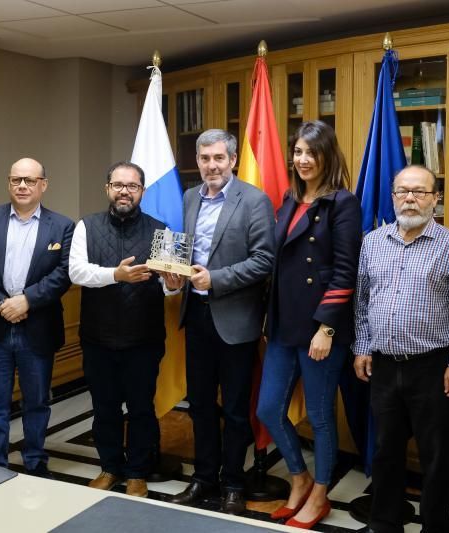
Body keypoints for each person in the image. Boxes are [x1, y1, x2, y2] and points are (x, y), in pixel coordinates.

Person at [352, 164, 449, 533]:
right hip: (383, 365)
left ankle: (436, 526)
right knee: (386, 449)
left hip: (433, 367)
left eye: (420, 191)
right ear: (392, 197)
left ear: (435, 198)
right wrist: (362, 347)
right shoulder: (372, 242)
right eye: (403, 191)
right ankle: (384, 522)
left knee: (435, 454)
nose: (410, 198)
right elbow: (361, 303)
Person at [253, 121, 361, 529]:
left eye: (310, 153)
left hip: (320, 329)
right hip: (283, 324)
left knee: (318, 416)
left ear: (327, 156)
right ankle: (298, 478)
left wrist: (327, 328)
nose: (302, 160)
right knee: (268, 408)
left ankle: (319, 494)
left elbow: (345, 271)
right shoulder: (289, 197)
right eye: (297, 152)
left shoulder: (342, 202)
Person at [163, 129, 275, 515]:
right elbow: (185, 248)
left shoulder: (255, 200)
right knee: (200, 406)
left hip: (236, 321)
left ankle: (232, 483)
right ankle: (204, 477)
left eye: (219, 159)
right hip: (196, 316)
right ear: (198, 161)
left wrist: (218, 279)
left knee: (234, 409)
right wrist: (173, 275)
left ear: (233, 161)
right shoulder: (190, 196)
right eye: (205, 158)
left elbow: (264, 260)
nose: (212, 165)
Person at [0, 158, 74, 478]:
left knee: (37, 402)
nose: (22, 186)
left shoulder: (63, 226)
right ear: (9, 183)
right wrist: (3, 303)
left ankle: (35, 461)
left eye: (29, 180)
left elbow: (63, 274)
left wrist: (27, 301)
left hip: (37, 327)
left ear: (43, 185)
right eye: (15, 180)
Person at [68, 161, 166, 497]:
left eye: (132, 186)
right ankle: (110, 467)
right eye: (118, 184)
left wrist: (175, 283)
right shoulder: (86, 227)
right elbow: (77, 273)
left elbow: (170, 289)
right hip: (99, 338)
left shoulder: (161, 230)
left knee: (141, 408)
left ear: (142, 191)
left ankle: (137, 472)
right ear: (107, 188)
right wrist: (116, 275)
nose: (125, 191)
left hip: (144, 338)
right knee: (104, 408)